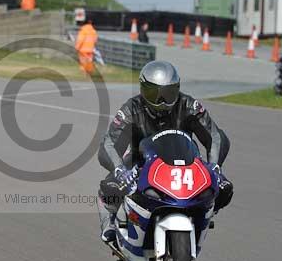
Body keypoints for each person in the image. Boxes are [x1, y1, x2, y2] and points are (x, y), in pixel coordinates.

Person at [97, 60, 233, 243]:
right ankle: (110, 224)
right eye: (154, 93)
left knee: (224, 187)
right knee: (109, 188)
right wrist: (120, 170)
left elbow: (215, 136)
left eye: (167, 94)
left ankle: (206, 212)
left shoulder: (189, 105)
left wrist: (216, 166)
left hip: (186, 163)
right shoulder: (131, 108)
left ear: (176, 89)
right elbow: (109, 143)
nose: (161, 101)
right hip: (140, 163)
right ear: (143, 89)